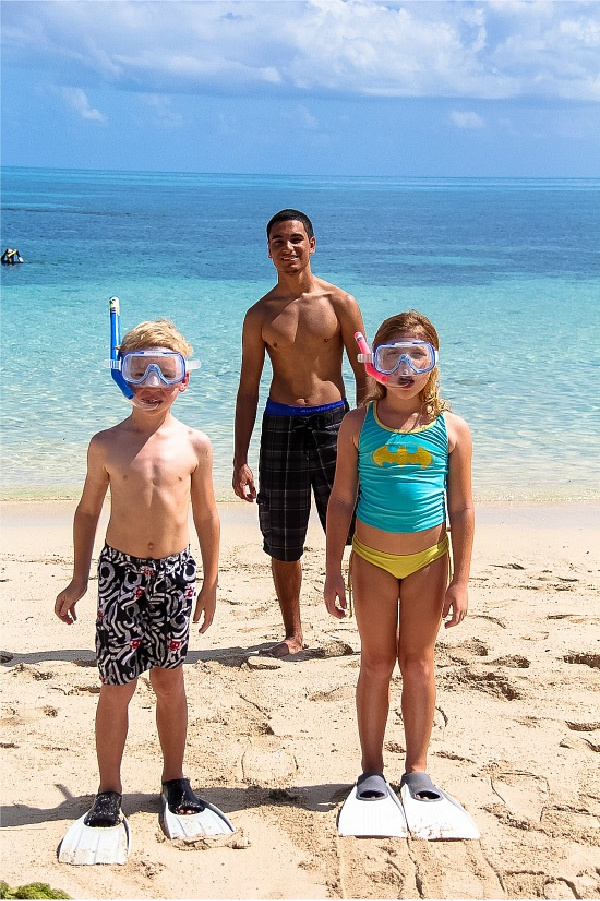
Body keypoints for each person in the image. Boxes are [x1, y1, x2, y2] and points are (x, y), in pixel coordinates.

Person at [55, 319, 219, 825]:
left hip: (175, 573)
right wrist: (79, 578)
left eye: (164, 371)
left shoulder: (195, 444)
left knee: (170, 682)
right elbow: (87, 512)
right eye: (138, 371)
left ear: (183, 379)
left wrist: (209, 583)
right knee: (117, 685)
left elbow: (209, 516)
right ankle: (109, 789)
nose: (151, 383)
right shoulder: (105, 444)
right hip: (119, 573)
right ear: (121, 377)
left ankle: (174, 778)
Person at [324, 310, 474, 800]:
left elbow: (462, 507)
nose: (405, 366)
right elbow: (341, 499)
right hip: (370, 559)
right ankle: (370, 769)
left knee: (419, 663)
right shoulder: (355, 424)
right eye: (393, 355)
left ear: (433, 364)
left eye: (418, 355)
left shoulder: (451, 429)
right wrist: (332, 573)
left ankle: (416, 768)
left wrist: (461, 579)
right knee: (375, 662)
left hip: (430, 562)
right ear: (374, 364)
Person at [232, 209, 366, 657]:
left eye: (295, 239)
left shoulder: (339, 303)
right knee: (283, 534)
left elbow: (364, 371)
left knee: (356, 526)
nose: (287, 248)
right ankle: (294, 630)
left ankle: (369, 616)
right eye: (277, 242)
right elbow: (248, 386)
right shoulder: (259, 315)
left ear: (312, 244)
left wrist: (368, 429)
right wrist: (240, 458)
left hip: (336, 422)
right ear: (268, 250)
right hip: (280, 423)